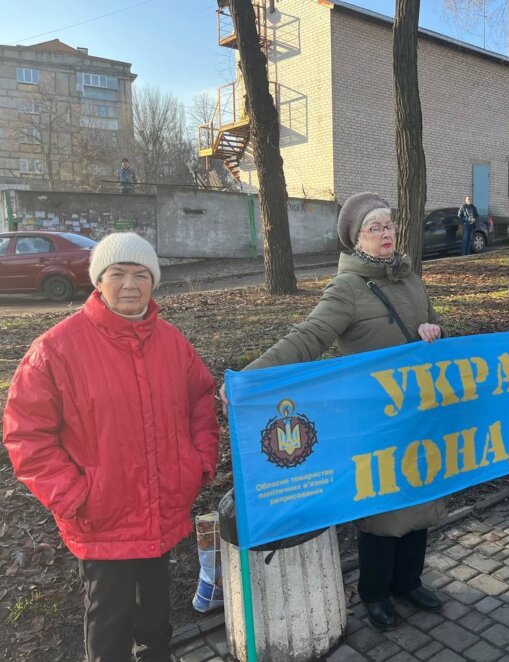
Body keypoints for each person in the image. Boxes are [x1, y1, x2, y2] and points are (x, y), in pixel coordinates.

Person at [224, 192, 446, 632]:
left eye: (389, 225)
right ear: (355, 239)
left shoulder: (410, 277)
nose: (386, 234)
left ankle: (409, 581)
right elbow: (307, 337)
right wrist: (250, 378)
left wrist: (433, 330)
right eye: (375, 228)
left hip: (418, 414)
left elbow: (436, 326)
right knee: (383, 512)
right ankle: (376, 592)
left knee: (420, 500)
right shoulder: (347, 289)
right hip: (375, 422)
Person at [3, 233, 219, 662]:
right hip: (103, 520)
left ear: (153, 282)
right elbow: (27, 434)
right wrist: (73, 495)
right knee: (109, 625)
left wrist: (198, 463)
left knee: (157, 619)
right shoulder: (56, 350)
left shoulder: (171, 342)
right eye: (117, 273)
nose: (129, 284)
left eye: (141, 274)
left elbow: (200, 398)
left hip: (161, 510)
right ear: (97, 282)